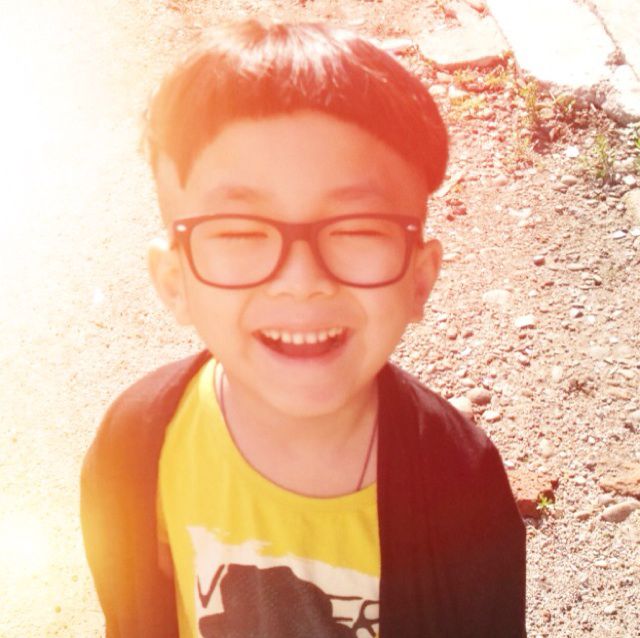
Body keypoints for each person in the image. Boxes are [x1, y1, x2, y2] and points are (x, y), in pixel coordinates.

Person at [81, 19, 526, 638]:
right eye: (239, 231)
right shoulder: (136, 444)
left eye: (357, 228)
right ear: (174, 280)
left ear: (420, 279)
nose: (300, 279)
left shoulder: (460, 485)